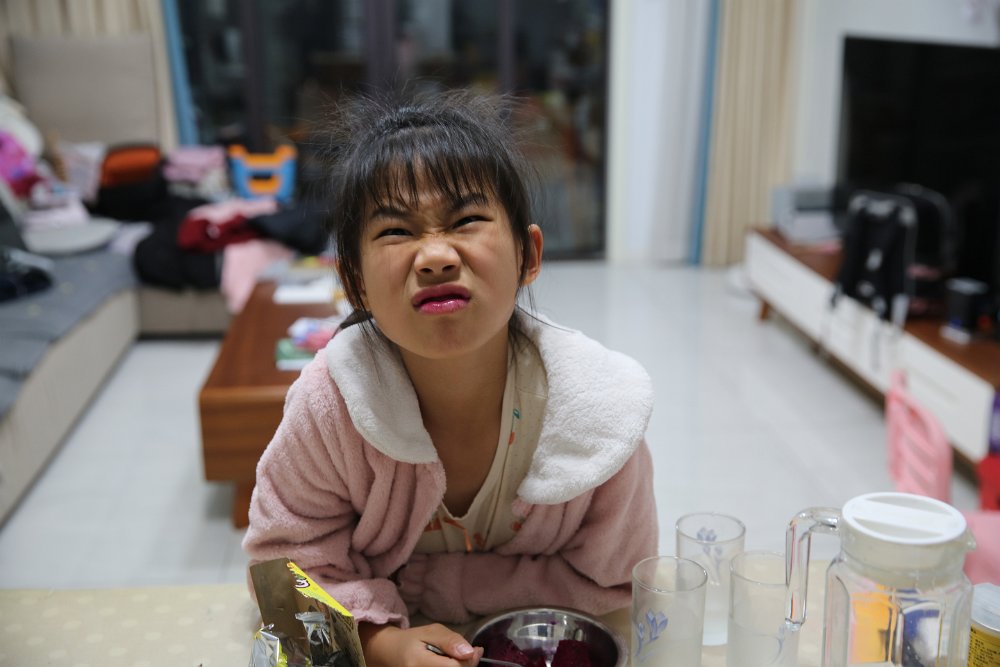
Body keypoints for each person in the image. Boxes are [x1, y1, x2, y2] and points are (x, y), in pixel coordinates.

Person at [242, 89, 658, 667]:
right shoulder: (329, 407)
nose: (435, 256)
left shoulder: (601, 412)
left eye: (466, 221)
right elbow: (282, 566)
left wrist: (439, 587)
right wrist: (380, 642)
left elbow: (614, 582)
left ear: (528, 255)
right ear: (355, 282)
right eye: (396, 231)